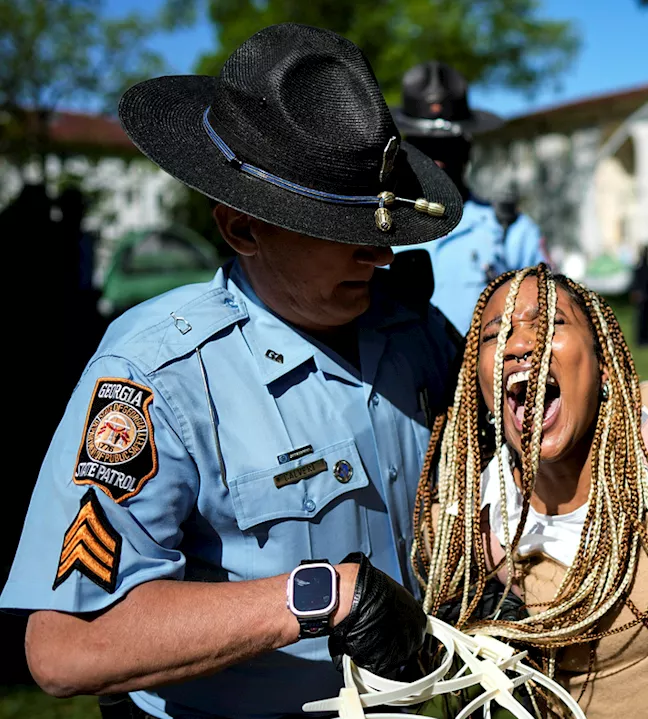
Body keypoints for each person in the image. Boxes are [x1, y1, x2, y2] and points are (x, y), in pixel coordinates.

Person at [0, 24, 464, 718]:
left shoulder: (415, 332)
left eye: (381, 229)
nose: (381, 256)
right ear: (242, 229)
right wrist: (317, 595)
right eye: (341, 233)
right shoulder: (157, 374)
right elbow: (67, 645)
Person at [413, 264, 648, 718]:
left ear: (604, 363)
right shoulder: (472, 517)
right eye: (496, 335)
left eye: (550, 324)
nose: (518, 345)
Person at [391, 61, 550, 332]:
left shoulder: (509, 228)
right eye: (425, 147)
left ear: (467, 150)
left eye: (447, 147)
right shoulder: (379, 221)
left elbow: (545, 312)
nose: (437, 161)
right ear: (406, 150)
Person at [630, 243, 648, 346]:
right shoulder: (641, 266)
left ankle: (646, 337)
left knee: (647, 318)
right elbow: (637, 282)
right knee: (641, 318)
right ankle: (641, 339)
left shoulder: (646, 265)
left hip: (647, 296)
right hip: (642, 296)